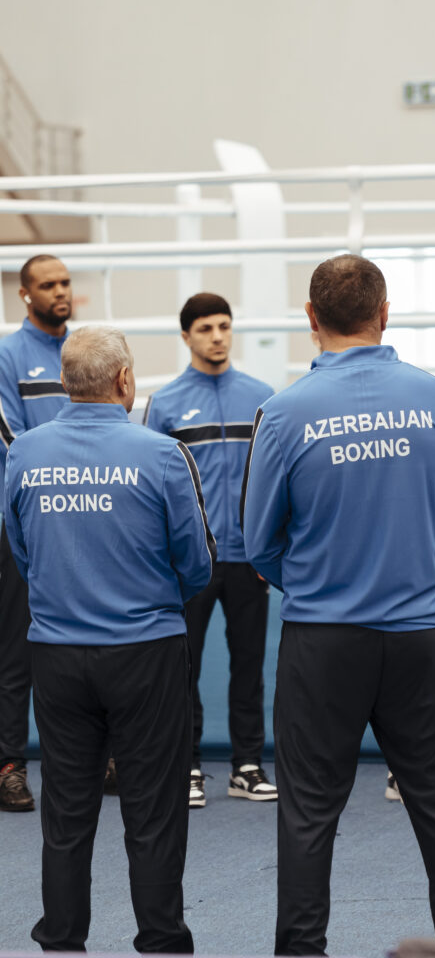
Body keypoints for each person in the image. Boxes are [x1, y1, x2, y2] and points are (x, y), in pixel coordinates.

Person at [242, 254, 435, 955]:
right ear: (384, 313)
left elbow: (259, 543)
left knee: (308, 812)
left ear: (310, 318)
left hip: (323, 638)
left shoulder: (283, 413)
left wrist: (320, 582)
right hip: (422, 632)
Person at [3, 326, 215, 953]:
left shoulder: (24, 454)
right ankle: (162, 948)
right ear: (124, 380)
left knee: (66, 812)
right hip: (146, 650)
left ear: (65, 383)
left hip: (57, 653)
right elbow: (196, 563)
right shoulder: (162, 454)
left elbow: (21, 552)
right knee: (154, 810)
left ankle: (61, 948)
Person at [145, 293, 276, 808]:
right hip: (190, 562)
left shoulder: (262, 397)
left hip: (249, 558)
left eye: (224, 325)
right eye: (205, 328)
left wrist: (270, 549)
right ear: (186, 336)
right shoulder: (166, 403)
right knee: (184, 667)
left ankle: (247, 765)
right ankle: (189, 766)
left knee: (249, 666)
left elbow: (274, 480)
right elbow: (152, 487)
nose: (217, 336)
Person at [0, 255, 72, 812]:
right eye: (48, 285)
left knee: (87, 642)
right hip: (27, 523)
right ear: (26, 294)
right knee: (17, 651)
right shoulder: (8, 355)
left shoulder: (84, 352)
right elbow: (11, 437)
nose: (60, 292)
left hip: (88, 519)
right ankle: (9, 765)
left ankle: (97, 759)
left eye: (65, 283)